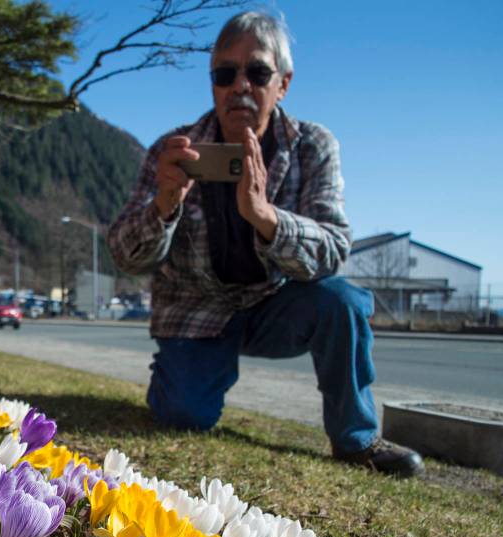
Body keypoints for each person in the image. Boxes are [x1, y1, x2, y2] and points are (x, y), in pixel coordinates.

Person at [107, 11, 424, 477]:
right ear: (213, 83)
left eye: (257, 72)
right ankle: (176, 379)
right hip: (196, 310)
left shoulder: (312, 145)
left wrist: (264, 214)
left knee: (343, 301)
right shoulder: (171, 149)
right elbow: (123, 254)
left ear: (284, 83)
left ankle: (356, 439)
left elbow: (334, 249)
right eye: (224, 74)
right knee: (183, 416)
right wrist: (164, 204)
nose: (239, 86)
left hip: (274, 305)